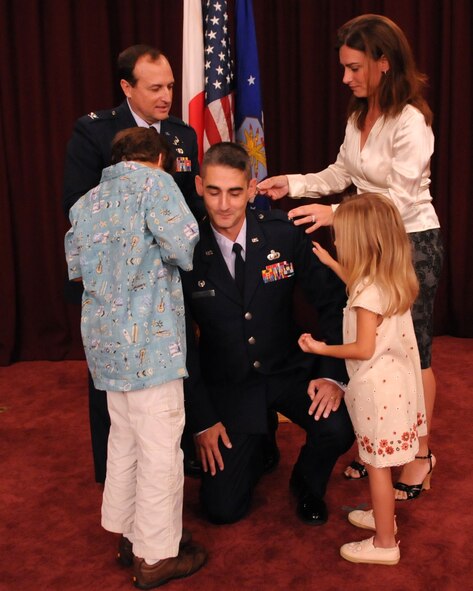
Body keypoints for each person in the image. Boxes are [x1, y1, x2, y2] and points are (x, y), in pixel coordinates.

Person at [257, 14, 443, 498]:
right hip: (365, 244)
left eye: (354, 67)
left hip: (409, 244)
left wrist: (337, 215)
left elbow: (398, 201)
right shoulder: (359, 115)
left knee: (409, 351)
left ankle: (419, 456)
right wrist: (294, 184)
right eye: (343, 68)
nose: (346, 78)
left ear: (384, 63)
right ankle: (377, 445)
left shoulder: (411, 122)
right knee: (366, 344)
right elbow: (342, 171)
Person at [180, 142, 355, 526]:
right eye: (213, 191)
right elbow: (181, 346)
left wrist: (331, 374)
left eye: (235, 191)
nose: (224, 204)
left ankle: (307, 484)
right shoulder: (184, 250)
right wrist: (203, 420)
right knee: (222, 510)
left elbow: (333, 302)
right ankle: (259, 442)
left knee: (338, 427)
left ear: (252, 188)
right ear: (198, 186)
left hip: (288, 369)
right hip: (230, 385)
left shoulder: (281, 234)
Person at [64, 127, 206, 588]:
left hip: (106, 348)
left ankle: (129, 536)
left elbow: (76, 269)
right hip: (152, 343)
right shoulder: (155, 184)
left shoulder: (84, 204)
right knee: (162, 448)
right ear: (159, 159)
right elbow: (185, 243)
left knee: (123, 440)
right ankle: (157, 556)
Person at [63, 44, 203, 484]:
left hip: (171, 284)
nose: (166, 96)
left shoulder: (181, 134)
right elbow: (77, 206)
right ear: (127, 87)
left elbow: (191, 207)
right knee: (115, 397)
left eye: (171, 87)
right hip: (117, 292)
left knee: (175, 375)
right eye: (155, 87)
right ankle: (118, 477)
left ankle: (183, 457)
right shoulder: (95, 133)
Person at [299, 193, 427, 565]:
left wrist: (321, 350)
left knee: (376, 467)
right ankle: (382, 514)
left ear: (362, 241)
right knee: (381, 466)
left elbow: (361, 348)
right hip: (397, 385)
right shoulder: (386, 277)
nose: (337, 241)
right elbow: (358, 283)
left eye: (341, 236)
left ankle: (385, 542)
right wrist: (332, 263)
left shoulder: (367, 293)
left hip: (375, 390)